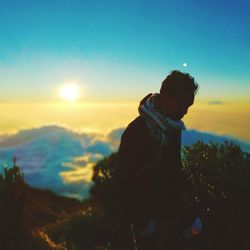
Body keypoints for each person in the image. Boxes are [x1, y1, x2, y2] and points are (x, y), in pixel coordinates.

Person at [114, 70, 202, 250]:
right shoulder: (136, 132)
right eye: (182, 105)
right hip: (147, 217)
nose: (185, 112)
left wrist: (187, 203)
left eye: (189, 106)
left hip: (171, 210)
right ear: (165, 97)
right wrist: (143, 224)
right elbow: (124, 182)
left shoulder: (172, 127)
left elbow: (175, 167)